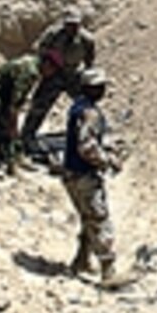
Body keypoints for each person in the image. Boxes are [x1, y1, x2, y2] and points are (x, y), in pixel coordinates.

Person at [62, 67, 125, 288]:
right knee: (98, 219)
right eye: (101, 87)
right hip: (84, 174)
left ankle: (81, 261)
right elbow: (86, 146)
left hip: (70, 174)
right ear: (93, 88)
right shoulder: (90, 113)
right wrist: (108, 160)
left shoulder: (77, 108)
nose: (104, 90)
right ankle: (108, 272)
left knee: (87, 218)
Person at [22, 6, 96, 151]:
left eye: (75, 25)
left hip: (74, 75)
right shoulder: (53, 34)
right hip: (55, 74)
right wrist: (46, 67)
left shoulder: (86, 39)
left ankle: (90, 135)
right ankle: (27, 136)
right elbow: (40, 49)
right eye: (69, 25)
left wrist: (87, 77)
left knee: (85, 106)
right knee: (39, 105)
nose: (72, 28)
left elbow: (90, 59)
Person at [0, 50, 62, 174]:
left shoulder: (32, 65)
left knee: (6, 127)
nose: (51, 74)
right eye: (53, 70)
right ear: (47, 64)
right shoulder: (30, 72)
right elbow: (14, 106)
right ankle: (8, 161)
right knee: (1, 128)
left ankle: (12, 158)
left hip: (1, 95)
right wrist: (13, 127)